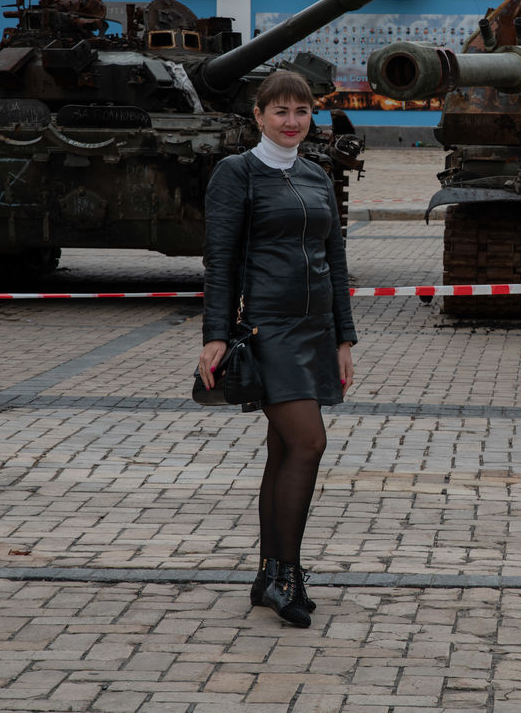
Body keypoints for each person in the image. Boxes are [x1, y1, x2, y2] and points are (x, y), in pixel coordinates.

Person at [198, 70, 357, 629]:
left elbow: (335, 259)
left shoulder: (316, 174)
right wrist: (216, 334)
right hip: (267, 330)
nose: (293, 121)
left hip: (315, 331)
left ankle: (270, 573)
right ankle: (287, 575)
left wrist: (344, 337)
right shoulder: (236, 173)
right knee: (309, 442)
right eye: (281, 111)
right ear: (259, 116)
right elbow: (220, 260)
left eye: (302, 111)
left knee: (285, 451)